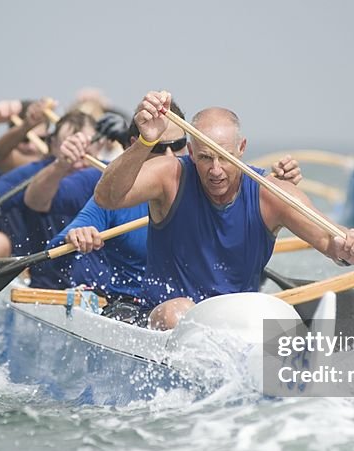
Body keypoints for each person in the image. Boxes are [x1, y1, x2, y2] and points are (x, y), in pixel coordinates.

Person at [94, 90, 354, 330]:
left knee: (275, 315)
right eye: (205, 158)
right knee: (177, 312)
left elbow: (330, 240)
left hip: (235, 324)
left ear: (241, 148)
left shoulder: (271, 193)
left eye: (225, 158)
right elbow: (107, 197)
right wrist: (144, 142)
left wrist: (350, 248)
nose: (215, 170)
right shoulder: (171, 176)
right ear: (191, 153)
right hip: (166, 320)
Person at [46, 106, 303, 318]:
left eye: (177, 144)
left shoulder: (210, 184)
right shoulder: (116, 187)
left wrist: (279, 191)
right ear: (139, 145)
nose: (169, 155)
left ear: (189, 148)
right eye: (158, 146)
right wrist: (78, 233)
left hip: (212, 312)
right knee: (178, 312)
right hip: (135, 305)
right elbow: (63, 233)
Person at [0, 110, 98, 262]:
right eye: (71, 146)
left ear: (99, 146)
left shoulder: (107, 174)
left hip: (99, 275)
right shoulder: (36, 172)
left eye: (86, 148)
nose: (78, 157)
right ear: (53, 144)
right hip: (45, 274)